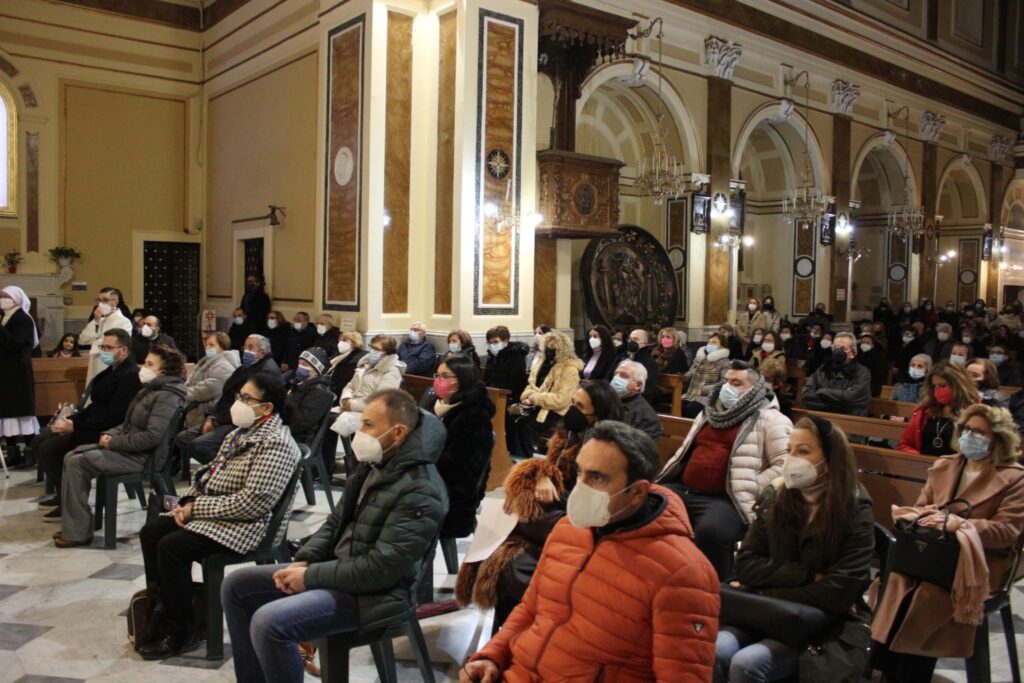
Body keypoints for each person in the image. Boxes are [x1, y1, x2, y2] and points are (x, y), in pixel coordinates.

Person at [459, 421, 720, 682]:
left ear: (638, 492)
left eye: (596, 477)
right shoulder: (568, 530)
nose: (580, 487)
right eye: (580, 472)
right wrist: (492, 655)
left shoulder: (684, 573)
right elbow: (531, 609)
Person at [222, 389, 447, 683]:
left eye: (368, 425)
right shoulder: (374, 465)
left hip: (377, 595)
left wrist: (312, 577)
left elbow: (382, 569)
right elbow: (334, 523)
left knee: (270, 623)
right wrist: (304, 561)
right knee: (237, 585)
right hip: (339, 571)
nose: (360, 432)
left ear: (398, 432)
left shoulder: (421, 490)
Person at [138, 372, 301, 659]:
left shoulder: (275, 443)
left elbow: (253, 504)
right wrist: (187, 500)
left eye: (247, 398)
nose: (238, 403)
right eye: (239, 396)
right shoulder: (243, 431)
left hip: (247, 525)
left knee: (171, 548)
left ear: (267, 408)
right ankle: (165, 607)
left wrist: (196, 510)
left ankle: (180, 630)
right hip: (218, 510)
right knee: (152, 532)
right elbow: (209, 472)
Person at [870, 404, 1024, 682]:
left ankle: (908, 675)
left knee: (928, 594)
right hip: (932, 553)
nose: (969, 436)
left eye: (979, 432)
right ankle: (883, 668)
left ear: (997, 437)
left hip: (977, 563)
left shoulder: (1014, 478)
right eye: (966, 430)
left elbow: (1006, 531)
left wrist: (962, 525)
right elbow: (921, 507)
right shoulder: (945, 465)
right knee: (896, 579)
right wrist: (921, 515)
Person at [718, 416, 874, 683]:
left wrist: (762, 590)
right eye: (789, 450)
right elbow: (745, 564)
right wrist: (808, 575)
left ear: (830, 458)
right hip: (766, 610)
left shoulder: (854, 508)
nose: (792, 459)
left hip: (821, 622)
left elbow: (839, 591)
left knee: (747, 663)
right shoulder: (777, 497)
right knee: (717, 649)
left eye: (803, 451)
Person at [458, 381, 624, 631]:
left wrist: (552, 491)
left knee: (514, 553)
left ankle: (512, 634)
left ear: (599, 413)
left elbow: (592, 499)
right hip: (556, 511)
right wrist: (541, 474)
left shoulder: (607, 449)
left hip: (581, 520)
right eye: (572, 403)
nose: (572, 410)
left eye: (579, 406)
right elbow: (551, 470)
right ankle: (501, 636)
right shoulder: (567, 435)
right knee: (503, 536)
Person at [658, 361, 791, 579]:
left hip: (728, 499)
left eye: (736, 383)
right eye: (726, 381)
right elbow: (683, 452)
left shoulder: (771, 419)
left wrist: (751, 486)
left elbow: (785, 465)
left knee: (712, 532)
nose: (727, 387)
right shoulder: (708, 415)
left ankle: (718, 587)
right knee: (646, 507)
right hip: (685, 490)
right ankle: (664, 575)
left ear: (754, 388)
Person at [54, 344, 188, 547]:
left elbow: (152, 436)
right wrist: (109, 434)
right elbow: (127, 425)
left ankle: (77, 532)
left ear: (164, 371)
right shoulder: (150, 390)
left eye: (150, 364)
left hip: (142, 457)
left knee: (76, 462)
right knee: (72, 456)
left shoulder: (168, 396)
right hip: (129, 450)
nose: (144, 367)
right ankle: (78, 526)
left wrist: (114, 442)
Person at [35, 329, 141, 516]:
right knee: (40, 439)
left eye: (109, 347)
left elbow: (114, 416)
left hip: (107, 431)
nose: (104, 351)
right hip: (93, 423)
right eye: (103, 347)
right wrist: (70, 419)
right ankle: (63, 494)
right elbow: (96, 405)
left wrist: (75, 427)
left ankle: (69, 500)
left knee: (49, 448)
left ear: (123, 350)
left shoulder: (130, 375)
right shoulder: (113, 370)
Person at [175, 334, 279, 467]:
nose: (246, 351)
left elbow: (253, 405)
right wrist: (211, 417)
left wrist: (221, 421)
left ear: (262, 353)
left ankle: (225, 469)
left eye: (251, 347)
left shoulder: (266, 372)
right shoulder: (245, 368)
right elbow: (225, 396)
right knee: (183, 438)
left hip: (239, 422)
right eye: (245, 347)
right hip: (223, 416)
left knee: (199, 445)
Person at [428, 355, 495, 542]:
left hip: (454, 495)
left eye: (446, 376)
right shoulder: (442, 406)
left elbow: (459, 466)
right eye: (438, 375)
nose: (439, 381)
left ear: (463, 379)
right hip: (435, 480)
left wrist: (421, 465)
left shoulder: (474, 415)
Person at [509, 330, 582, 459]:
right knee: (511, 420)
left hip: (556, 412)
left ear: (562, 348)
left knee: (525, 426)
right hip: (537, 406)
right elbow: (530, 386)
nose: (550, 349)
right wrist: (528, 397)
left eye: (553, 347)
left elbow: (562, 400)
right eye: (548, 346)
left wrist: (535, 398)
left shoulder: (570, 369)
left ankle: (523, 464)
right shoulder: (542, 364)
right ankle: (509, 460)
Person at [331, 334, 406, 437]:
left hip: (372, 414)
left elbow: (380, 400)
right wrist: (345, 399)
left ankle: (348, 451)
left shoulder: (392, 372)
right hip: (352, 406)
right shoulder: (366, 364)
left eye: (376, 349)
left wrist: (352, 405)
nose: (372, 351)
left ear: (388, 353)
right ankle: (325, 452)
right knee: (326, 415)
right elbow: (350, 386)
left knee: (335, 422)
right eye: (371, 347)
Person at [897, 360, 978, 456]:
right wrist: (919, 460)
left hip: (954, 468)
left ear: (958, 385)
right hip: (921, 466)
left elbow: (976, 452)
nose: (937, 391)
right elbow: (905, 444)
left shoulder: (974, 413)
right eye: (934, 386)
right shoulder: (924, 411)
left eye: (943, 385)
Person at [0, 286, 39, 462]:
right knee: (7, 412)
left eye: (6, 296)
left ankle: (31, 452)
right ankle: (12, 450)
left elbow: (19, 344)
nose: (2, 298)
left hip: (17, 371)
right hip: (5, 371)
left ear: (16, 298)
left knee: (21, 411)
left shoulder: (22, 318)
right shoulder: (4, 316)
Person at [801, 332, 872, 416]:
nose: (839, 352)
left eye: (844, 349)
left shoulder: (862, 372)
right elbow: (806, 395)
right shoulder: (822, 370)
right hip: (822, 418)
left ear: (853, 353)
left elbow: (853, 398)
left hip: (849, 421)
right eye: (836, 348)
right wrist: (837, 405)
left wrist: (823, 392)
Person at [78, 286, 134, 384]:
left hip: (111, 364)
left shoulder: (124, 322)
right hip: (95, 363)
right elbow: (82, 340)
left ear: (115, 301)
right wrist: (96, 321)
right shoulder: (99, 320)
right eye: (99, 300)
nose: (100, 304)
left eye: (105, 300)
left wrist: (94, 342)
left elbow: (117, 345)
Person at [184, 332, 239, 429]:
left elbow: (208, 390)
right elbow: (190, 380)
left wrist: (183, 392)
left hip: (205, 415)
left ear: (223, 347)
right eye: (206, 345)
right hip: (194, 412)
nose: (207, 348)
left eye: (212, 345)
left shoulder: (224, 366)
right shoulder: (206, 362)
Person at [282, 347, 334, 445]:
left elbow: (301, 423)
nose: (300, 367)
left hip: (299, 439)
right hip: (287, 431)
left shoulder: (319, 393)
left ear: (316, 370)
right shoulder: (297, 384)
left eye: (305, 365)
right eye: (299, 363)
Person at [682, 333, 731, 418]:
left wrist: (703, 389)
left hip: (709, 397)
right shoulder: (701, 358)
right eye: (709, 342)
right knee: (678, 405)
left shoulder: (724, 362)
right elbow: (691, 371)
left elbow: (724, 383)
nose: (710, 344)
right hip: (692, 394)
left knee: (691, 409)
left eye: (714, 342)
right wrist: (684, 377)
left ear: (722, 346)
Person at [611, 360, 662, 439]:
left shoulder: (647, 418)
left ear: (638, 385)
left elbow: (638, 449)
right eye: (615, 374)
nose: (616, 379)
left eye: (624, 376)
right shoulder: (606, 401)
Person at [483, 325, 529, 398]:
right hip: (492, 394)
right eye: (490, 342)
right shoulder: (492, 356)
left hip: (509, 397)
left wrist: (492, 390)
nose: (492, 345)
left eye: (495, 342)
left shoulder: (516, 355)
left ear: (505, 341)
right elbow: (487, 378)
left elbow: (514, 383)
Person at [325, 330, 367, 398]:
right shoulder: (338, 355)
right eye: (340, 340)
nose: (340, 343)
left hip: (340, 394)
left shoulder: (354, 360)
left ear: (354, 343)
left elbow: (344, 383)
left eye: (344, 340)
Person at [625, 327, 661, 403]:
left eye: (635, 340)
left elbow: (648, 388)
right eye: (630, 339)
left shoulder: (649, 362)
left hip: (637, 399)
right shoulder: (623, 357)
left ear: (644, 343)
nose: (631, 342)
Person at [856, 331, 889, 397]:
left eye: (867, 343)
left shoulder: (878, 357)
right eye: (863, 342)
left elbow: (879, 375)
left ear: (873, 345)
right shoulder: (857, 355)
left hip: (871, 386)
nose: (864, 344)